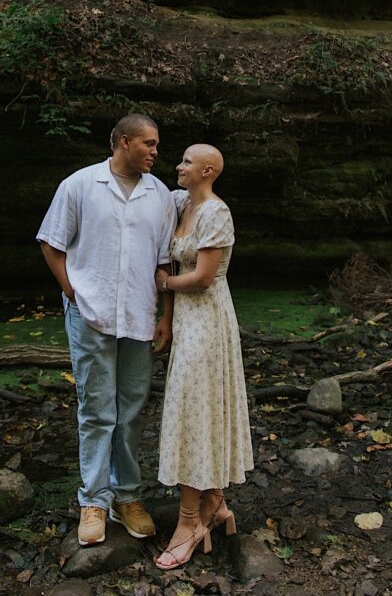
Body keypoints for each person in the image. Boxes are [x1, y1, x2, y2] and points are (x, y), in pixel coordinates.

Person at [36, 114, 176, 547]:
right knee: (96, 410)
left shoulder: (162, 198)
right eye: (148, 144)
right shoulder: (79, 185)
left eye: (157, 145)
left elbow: (164, 262)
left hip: (138, 315)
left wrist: (166, 318)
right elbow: (50, 243)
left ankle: (127, 497)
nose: (155, 152)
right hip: (91, 313)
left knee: (131, 410)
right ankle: (93, 500)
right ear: (122, 141)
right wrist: (72, 292)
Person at [154, 143, 254, 570]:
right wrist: (167, 318)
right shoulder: (181, 203)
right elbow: (177, 266)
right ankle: (214, 503)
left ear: (208, 170)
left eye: (187, 162)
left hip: (210, 323)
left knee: (193, 410)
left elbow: (201, 276)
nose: (178, 166)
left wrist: (163, 286)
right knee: (193, 408)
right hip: (187, 323)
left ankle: (190, 522)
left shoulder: (216, 212)